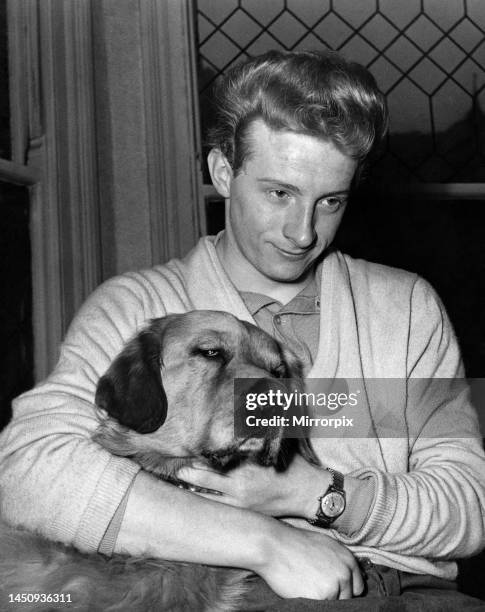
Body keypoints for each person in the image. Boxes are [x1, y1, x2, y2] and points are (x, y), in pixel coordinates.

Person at [1, 50, 484, 610]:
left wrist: (313, 496)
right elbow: (28, 470)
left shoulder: (407, 309)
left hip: (414, 589)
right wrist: (266, 542)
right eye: (279, 193)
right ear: (223, 172)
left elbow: (469, 505)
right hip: (226, 584)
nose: (303, 232)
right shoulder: (136, 306)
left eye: (330, 201)